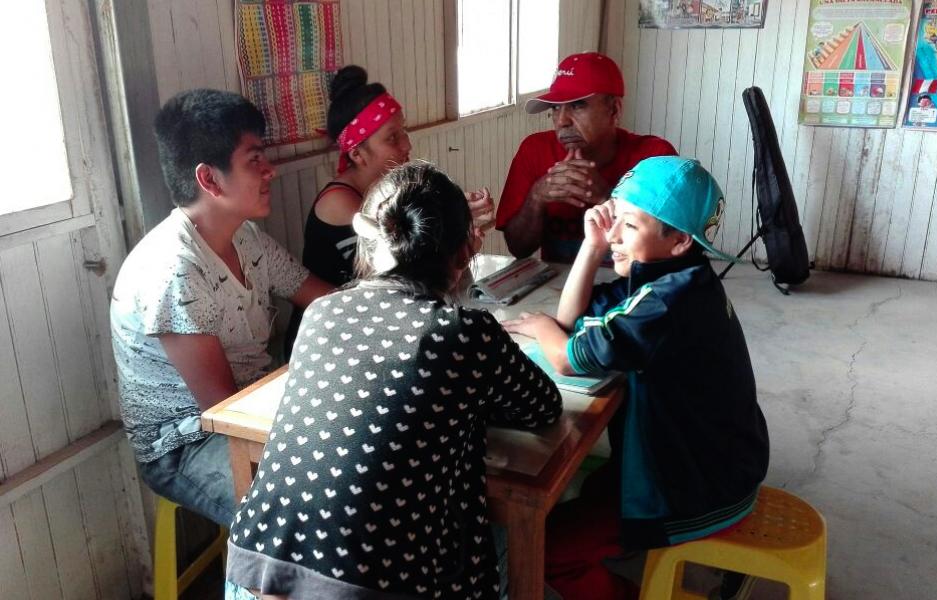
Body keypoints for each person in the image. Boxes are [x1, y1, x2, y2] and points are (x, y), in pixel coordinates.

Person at [226, 162, 563, 599]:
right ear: (464, 254)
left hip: (254, 577)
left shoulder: (322, 313)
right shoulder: (465, 334)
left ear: (371, 244)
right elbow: (543, 406)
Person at [502, 156, 769, 600]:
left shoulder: (667, 303)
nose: (614, 237)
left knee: (548, 548)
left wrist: (539, 326)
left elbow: (569, 356)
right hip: (717, 465)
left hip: (696, 490)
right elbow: (572, 318)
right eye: (614, 220)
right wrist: (590, 247)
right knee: (584, 492)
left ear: (680, 240)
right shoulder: (670, 278)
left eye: (629, 225)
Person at [110, 89, 334, 527]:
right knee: (298, 517)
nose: (271, 170)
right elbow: (226, 411)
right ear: (209, 180)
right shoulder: (173, 270)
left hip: (253, 407)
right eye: (255, 160)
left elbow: (323, 299)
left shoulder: (245, 237)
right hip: (187, 443)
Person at [285, 65, 495, 356]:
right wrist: (455, 232)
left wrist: (457, 219)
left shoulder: (388, 193)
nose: (407, 144)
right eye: (392, 137)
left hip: (373, 326)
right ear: (357, 153)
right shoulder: (341, 203)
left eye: (404, 131)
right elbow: (411, 269)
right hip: (331, 341)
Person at [495, 52, 677, 263]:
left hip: (631, 287)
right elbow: (519, 249)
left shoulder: (653, 157)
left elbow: (670, 246)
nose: (562, 121)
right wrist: (537, 198)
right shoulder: (535, 150)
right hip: (560, 289)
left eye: (577, 105)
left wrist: (608, 199)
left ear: (614, 110)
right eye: (555, 108)